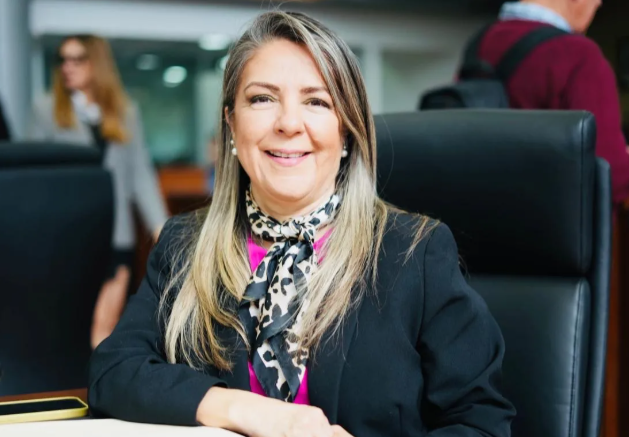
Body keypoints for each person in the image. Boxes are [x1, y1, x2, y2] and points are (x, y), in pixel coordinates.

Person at [88, 11, 515, 437]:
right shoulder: (184, 245)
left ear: (346, 130)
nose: (289, 124)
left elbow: (481, 422)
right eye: (262, 99)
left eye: (317, 101)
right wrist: (248, 410)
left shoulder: (414, 253)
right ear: (231, 123)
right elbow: (113, 371)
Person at [27, 35, 169, 349]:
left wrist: (160, 226)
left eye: (77, 59)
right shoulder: (46, 109)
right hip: (67, 233)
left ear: (97, 63)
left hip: (116, 232)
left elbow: (140, 173)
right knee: (70, 323)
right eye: (63, 60)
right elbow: (35, 175)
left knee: (106, 323)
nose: (68, 67)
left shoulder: (124, 110)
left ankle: (99, 377)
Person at [476, 0, 629, 206]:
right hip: (549, 221)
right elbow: (611, 176)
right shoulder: (580, 55)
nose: (598, 4)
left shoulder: (479, 44)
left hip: (480, 216)